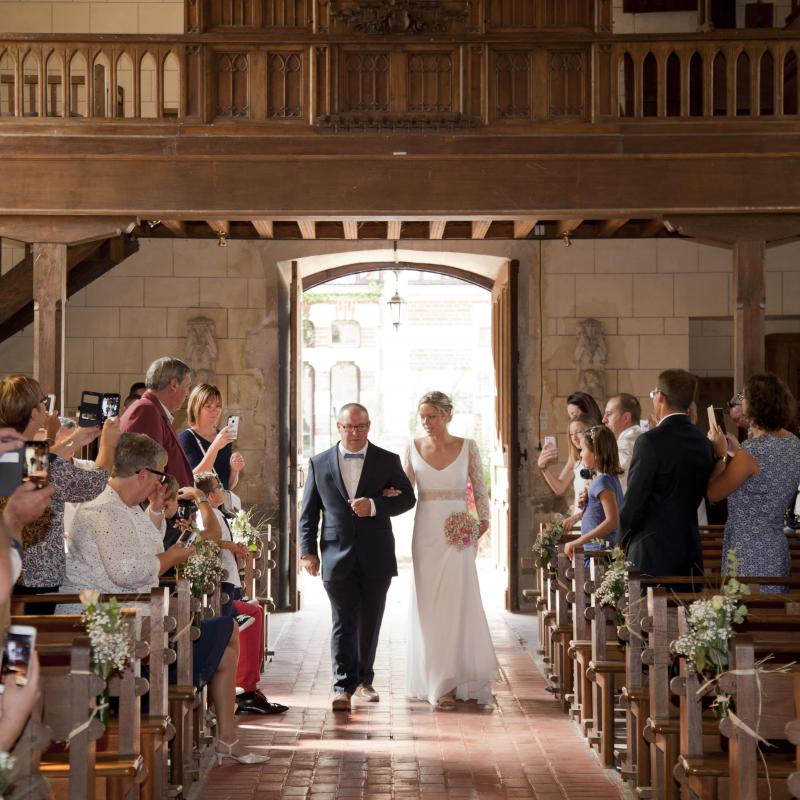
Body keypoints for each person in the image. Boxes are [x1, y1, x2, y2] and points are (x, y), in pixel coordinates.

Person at [61, 433, 267, 765]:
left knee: (225, 633)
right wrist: (172, 556)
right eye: (158, 476)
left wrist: (156, 510)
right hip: (109, 631)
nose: (161, 484)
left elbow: (148, 548)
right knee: (223, 631)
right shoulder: (104, 509)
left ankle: (226, 737)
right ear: (142, 473)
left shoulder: (124, 507)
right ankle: (220, 734)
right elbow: (128, 571)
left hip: (137, 618)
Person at [299, 403, 416, 712]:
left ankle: (365, 680)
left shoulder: (387, 460)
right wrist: (307, 552)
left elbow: (408, 497)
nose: (354, 432)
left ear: (369, 426)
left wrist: (376, 505)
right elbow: (308, 513)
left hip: (377, 554)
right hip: (335, 555)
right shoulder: (319, 462)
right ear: (338, 427)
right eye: (348, 427)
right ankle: (342, 686)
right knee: (343, 621)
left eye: (360, 427)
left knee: (370, 621)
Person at [400, 391, 496, 710]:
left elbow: (481, 492)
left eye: (432, 416)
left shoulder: (467, 446)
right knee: (429, 606)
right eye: (422, 416)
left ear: (448, 415)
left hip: (459, 535)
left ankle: (455, 680)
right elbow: (401, 494)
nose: (426, 422)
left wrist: (480, 525)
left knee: (457, 603)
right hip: (425, 532)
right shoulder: (412, 447)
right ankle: (436, 681)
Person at [0, 374, 119, 613]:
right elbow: (91, 484)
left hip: (13, 571)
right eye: (43, 402)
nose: (47, 407)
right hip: (33, 578)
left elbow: (37, 462)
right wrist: (108, 446)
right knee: (24, 645)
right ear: (34, 413)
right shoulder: (37, 461)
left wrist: (70, 439)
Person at [194, 472, 289, 716]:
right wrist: (231, 546)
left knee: (255, 610)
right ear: (210, 495)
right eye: (218, 487)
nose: (222, 491)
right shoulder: (207, 514)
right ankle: (246, 688)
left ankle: (249, 686)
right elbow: (204, 541)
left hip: (229, 583)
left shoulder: (217, 513)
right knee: (252, 614)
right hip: (219, 588)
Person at [707, 373, 800, 591]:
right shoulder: (794, 444)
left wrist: (720, 454)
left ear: (755, 405)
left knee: (746, 615)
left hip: (748, 552)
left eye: (744, 397)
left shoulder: (752, 452)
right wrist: (735, 451)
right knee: (771, 615)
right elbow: (764, 475)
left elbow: (714, 493)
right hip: (775, 547)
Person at [620, 369, 715, 579]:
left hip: (651, 553)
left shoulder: (649, 442)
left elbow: (634, 501)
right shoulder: (704, 444)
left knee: (647, 613)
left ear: (660, 396)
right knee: (686, 611)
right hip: (688, 552)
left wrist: (620, 543)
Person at [120, 358, 194, 486]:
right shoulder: (146, 411)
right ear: (174, 384)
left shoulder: (153, 409)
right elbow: (148, 473)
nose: (187, 394)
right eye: (187, 386)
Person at [564, 426, 624, 560]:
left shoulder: (603, 481)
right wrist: (580, 514)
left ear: (596, 452)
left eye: (583, 449)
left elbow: (612, 521)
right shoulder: (608, 478)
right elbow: (599, 513)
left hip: (598, 555)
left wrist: (578, 541)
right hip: (596, 552)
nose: (580, 454)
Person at [179, 384, 245, 492]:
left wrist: (234, 470)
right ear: (196, 407)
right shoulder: (186, 438)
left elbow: (227, 485)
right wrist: (215, 447)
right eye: (208, 406)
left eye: (218, 405)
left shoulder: (224, 438)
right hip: (200, 506)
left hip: (220, 507)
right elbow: (194, 479)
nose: (215, 411)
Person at [538, 414, 592, 518]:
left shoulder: (597, 459)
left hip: (587, 519)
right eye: (571, 434)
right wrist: (543, 467)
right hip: (578, 519)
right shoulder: (576, 459)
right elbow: (560, 489)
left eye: (579, 432)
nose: (574, 438)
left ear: (589, 432)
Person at [602, 393, 644, 493]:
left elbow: (613, 486)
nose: (603, 420)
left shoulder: (625, 445)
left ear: (626, 418)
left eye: (609, 414)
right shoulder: (639, 439)